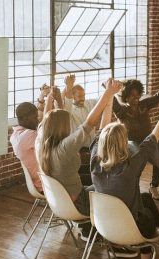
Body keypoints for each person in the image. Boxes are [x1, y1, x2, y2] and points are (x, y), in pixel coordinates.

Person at [90, 96, 159, 259]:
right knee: (146, 219)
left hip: (105, 226)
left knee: (146, 198)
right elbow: (154, 136)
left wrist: (109, 96)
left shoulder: (94, 163)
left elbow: (101, 130)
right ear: (123, 143)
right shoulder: (131, 166)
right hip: (131, 228)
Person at [36, 79, 122, 240]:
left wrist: (50, 99)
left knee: (95, 180)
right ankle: (117, 238)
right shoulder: (64, 148)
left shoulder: (41, 142)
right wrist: (108, 92)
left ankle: (90, 229)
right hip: (78, 203)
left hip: (59, 203)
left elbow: (46, 119)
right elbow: (89, 122)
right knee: (116, 190)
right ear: (63, 127)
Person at [112, 74, 159, 201]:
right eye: (132, 95)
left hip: (148, 142)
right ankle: (134, 187)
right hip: (131, 144)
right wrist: (110, 88)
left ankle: (154, 186)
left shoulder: (144, 104)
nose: (135, 98)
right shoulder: (122, 111)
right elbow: (111, 101)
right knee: (138, 156)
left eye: (137, 95)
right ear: (126, 97)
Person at [11, 102, 42, 193]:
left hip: (34, 184)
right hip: (44, 185)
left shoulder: (14, 136)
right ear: (26, 119)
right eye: (35, 117)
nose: (37, 120)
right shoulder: (29, 135)